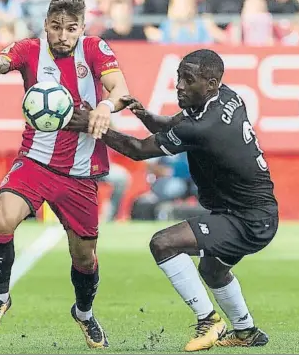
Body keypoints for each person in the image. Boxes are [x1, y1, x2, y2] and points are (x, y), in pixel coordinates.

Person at [67, 49, 278, 351]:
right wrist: (141, 113)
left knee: (163, 243)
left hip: (247, 219)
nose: (179, 85)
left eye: (187, 79)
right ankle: (247, 332)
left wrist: (93, 124)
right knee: (212, 270)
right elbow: (172, 127)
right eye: (179, 76)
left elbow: (139, 150)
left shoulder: (205, 127)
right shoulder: (224, 97)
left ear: (211, 83)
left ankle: (209, 321)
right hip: (249, 212)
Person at [0, 0, 129, 348]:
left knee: (84, 256)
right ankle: (0, 296)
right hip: (36, 160)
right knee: (3, 218)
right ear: (46, 26)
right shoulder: (29, 50)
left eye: (72, 28)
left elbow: (120, 89)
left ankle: (84, 313)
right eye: (57, 27)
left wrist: (104, 106)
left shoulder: (96, 50)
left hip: (81, 171)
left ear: (82, 28)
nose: (64, 35)